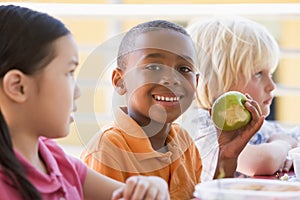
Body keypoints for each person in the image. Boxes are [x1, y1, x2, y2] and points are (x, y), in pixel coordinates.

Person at [0, 4, 170, 200]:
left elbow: (123, 194)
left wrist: (151, 187)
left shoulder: (53, 158)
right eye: (69, 72)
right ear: (18, 87)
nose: (78, 92)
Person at [80, 19, 264, 200]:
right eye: (153, 66)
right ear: (120, 81)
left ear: (196, 83)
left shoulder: (183, 141)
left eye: (184, 69)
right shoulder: (108, 149)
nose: (171, 78)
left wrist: (226, 155)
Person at [183, 16, 299, 180]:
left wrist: (286, 141)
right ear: (219, 82)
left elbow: (294, 136)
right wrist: (284, 143)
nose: (271, 86)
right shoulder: (201, 126)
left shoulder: (254, 123)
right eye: (258, 74)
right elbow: (262, 161)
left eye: (270, 74)